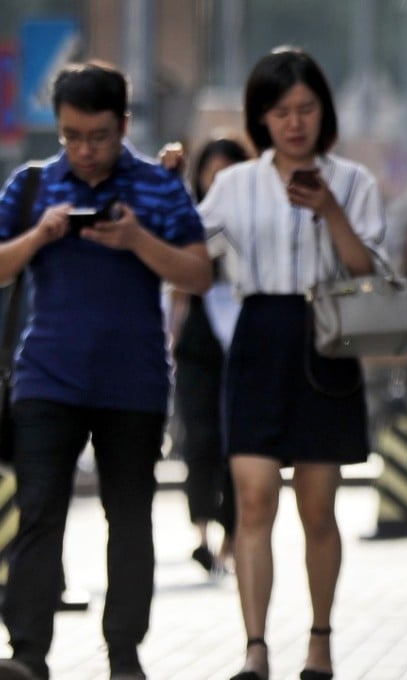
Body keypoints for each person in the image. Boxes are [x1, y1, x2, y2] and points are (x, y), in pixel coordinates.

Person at [0, 61, 211, 680]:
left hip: (134, 385)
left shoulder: (156, 186)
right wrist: (38, 236)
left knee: (130, 517)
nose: (84, 150)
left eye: (97, 136)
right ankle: (28, 655)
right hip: (46, 379)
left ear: (123, 125)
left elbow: (199, 272)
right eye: (71, 136)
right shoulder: (33, 187)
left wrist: (138, 241)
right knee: (38, 511)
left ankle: (124, 655)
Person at [196, 47, 386, 680]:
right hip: (258, 336)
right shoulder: (235, 183)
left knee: (317, 507)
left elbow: (370, 272)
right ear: (261, 117)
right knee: (252, 501)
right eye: (280, 111)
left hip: (326, 339)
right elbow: (194, 247)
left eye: (306, 108)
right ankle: (254, 647)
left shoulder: (352, 180)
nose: (295, 122)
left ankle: (320, 640)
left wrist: (328, 208)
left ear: (323, 112)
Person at [164, 136, 250, 576]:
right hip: (199, 341)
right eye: (209, 174)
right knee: (199, 438)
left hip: (246, 341)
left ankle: (234, 535)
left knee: (239, 442)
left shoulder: (255, 221)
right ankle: (202, 533)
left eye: (226, 175)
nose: (216, 183)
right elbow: (177, 285)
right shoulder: (191, 222)